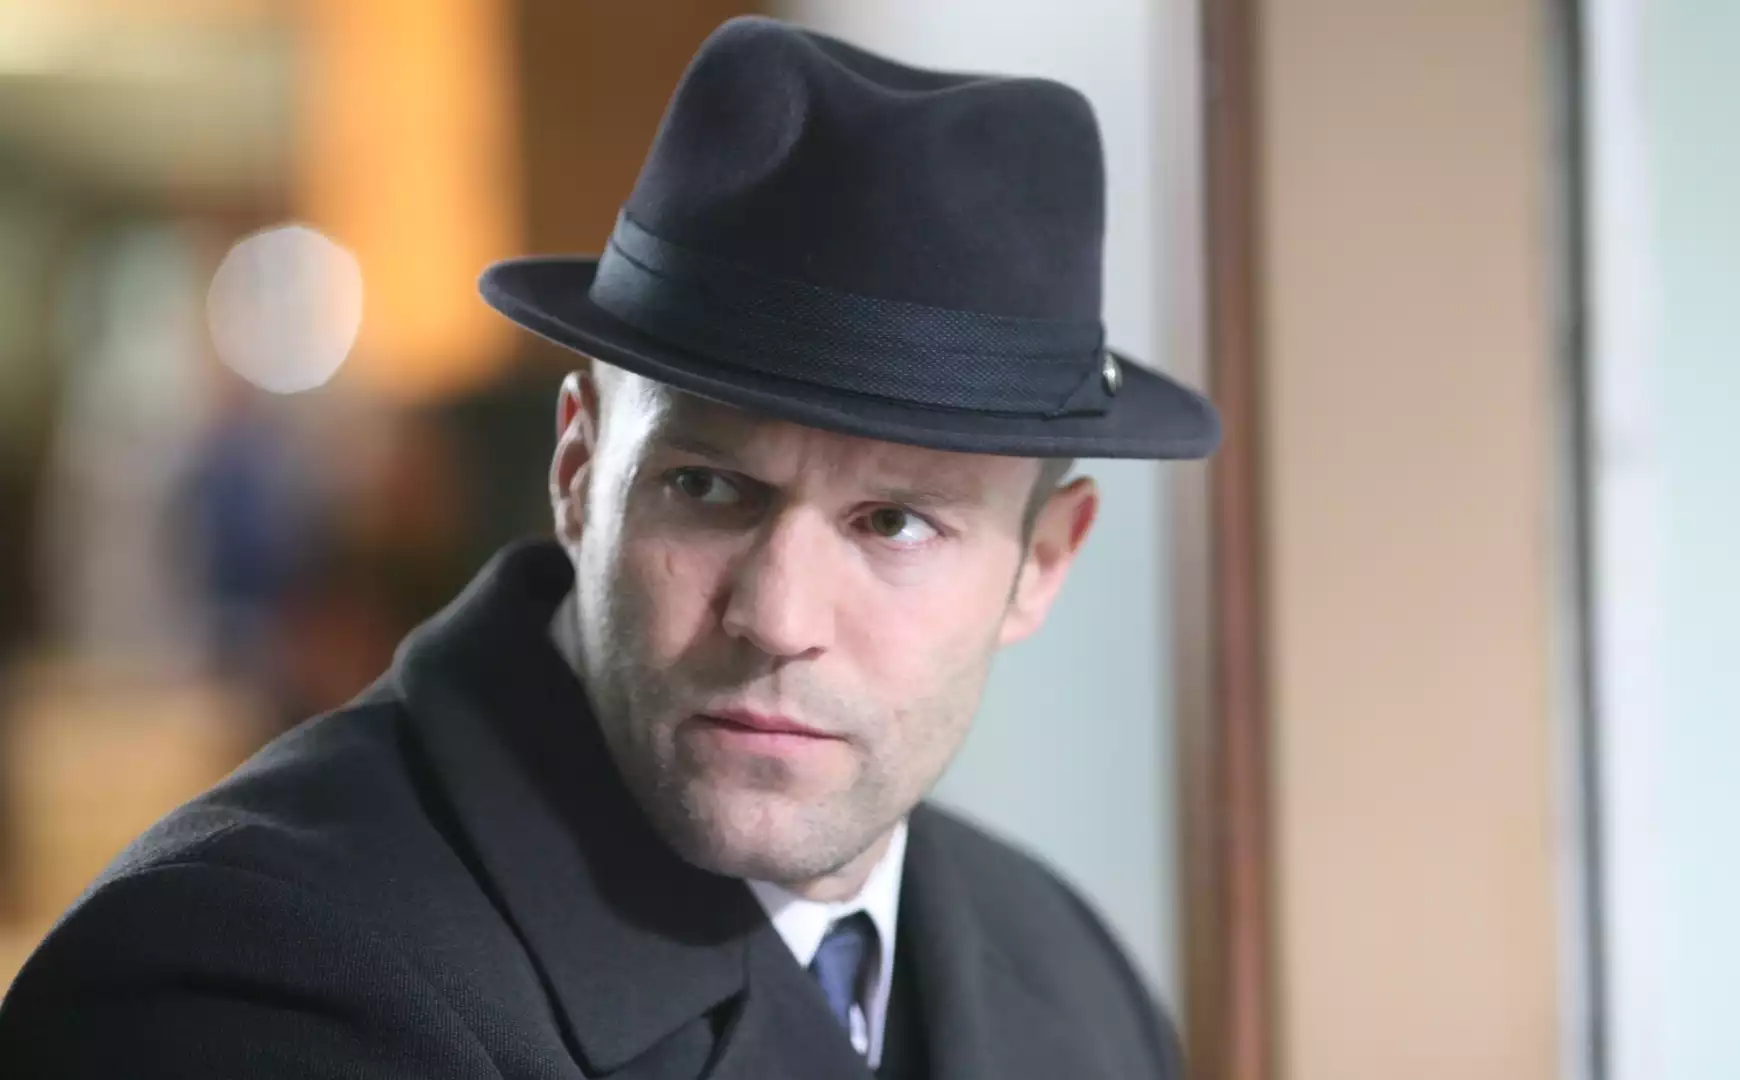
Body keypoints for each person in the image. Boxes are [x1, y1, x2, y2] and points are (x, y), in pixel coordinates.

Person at [0, 16, 1219, 1079]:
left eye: (894, 522)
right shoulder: (242, 985)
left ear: (1042, 564)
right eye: (708, 486)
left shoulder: (1072, 973)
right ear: (580, 470)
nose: (778, 614)